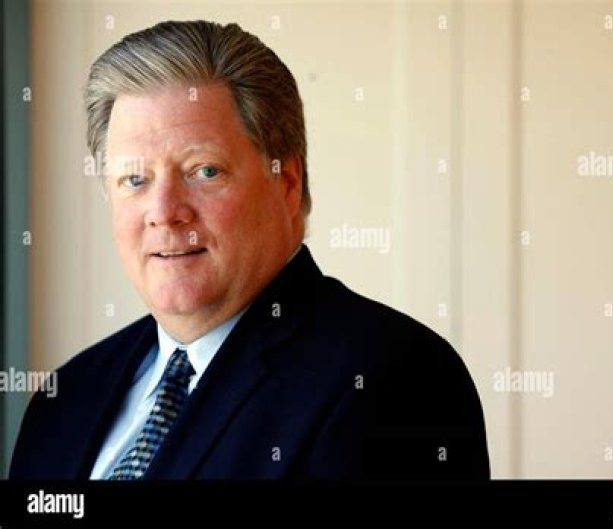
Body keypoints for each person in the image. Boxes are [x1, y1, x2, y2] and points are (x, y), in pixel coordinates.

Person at [9, 20, 490, 481]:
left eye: (205, 171)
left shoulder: (394, 377)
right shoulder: (65, 399)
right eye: (135, 179)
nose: (165, 212)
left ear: (287, 182)